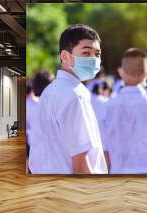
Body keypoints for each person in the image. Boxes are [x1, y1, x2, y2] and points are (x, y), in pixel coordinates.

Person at [28, 24, 108, 174]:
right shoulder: (76, 94)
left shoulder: (50, 91)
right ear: (65, 57)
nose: (94, 59)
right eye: (86, 53)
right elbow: (81, 162)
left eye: (97, 54)